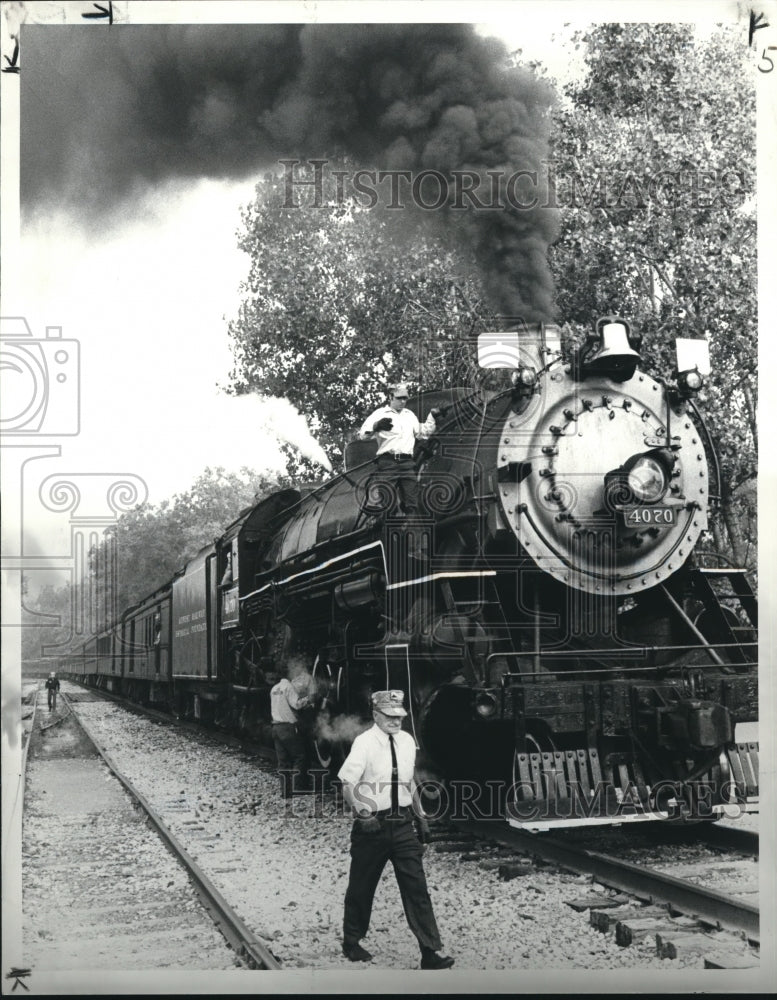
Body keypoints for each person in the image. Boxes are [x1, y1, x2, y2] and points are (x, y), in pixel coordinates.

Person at [338, 689, 454, 970]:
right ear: (376, 715)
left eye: (399, 716)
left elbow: (409, 781)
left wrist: (421, 818)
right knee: (362, 886)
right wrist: (362, 813)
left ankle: (429, 951)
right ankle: (352, 942)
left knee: (417, 888)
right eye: (389, 716)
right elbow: (347, 783)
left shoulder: (406, 741)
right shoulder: (364, 743)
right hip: (372, 826)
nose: (395, 720)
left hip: (402, 825)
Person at [358, 383, 441, 518]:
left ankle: (409, 525)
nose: (403, 401)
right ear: (391, 397)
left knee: (412, 501)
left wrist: (431, 416)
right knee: (387, 500)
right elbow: (363, 435)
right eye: (399, 398)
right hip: (388, 462)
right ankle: (381, 515)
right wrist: (376, 426)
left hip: (407, 463)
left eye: (405, 398)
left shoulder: (409, 415)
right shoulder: (379, 414)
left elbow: (423, 433)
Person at [271, 669, 313, 798]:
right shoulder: (288, 687)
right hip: (287, 728)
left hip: (276, 727)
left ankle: (285, 792)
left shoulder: (274, 688)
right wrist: (309, 699)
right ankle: (298, 787)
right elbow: (297, 705)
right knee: (300, 756)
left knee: (283, 761)